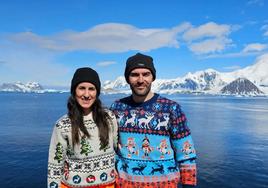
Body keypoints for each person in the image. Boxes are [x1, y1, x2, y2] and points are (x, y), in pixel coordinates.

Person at [110, 53, 197, 188]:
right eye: (134, 74)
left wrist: (189, 184)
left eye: (145, 74)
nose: (140, 80)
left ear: (152, 77)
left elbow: (186, 152)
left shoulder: (171, 108)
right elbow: (110, 146)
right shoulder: (117, 108)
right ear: (127, 78)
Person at [48, 67, 118, 188]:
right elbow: (55, 165)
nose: (86, 94)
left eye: (91, 89)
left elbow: (118, 148)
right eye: (81, 88)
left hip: (108, 185)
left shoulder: (109, 118)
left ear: (97, 92)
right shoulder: (63, 124)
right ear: (74, 91)